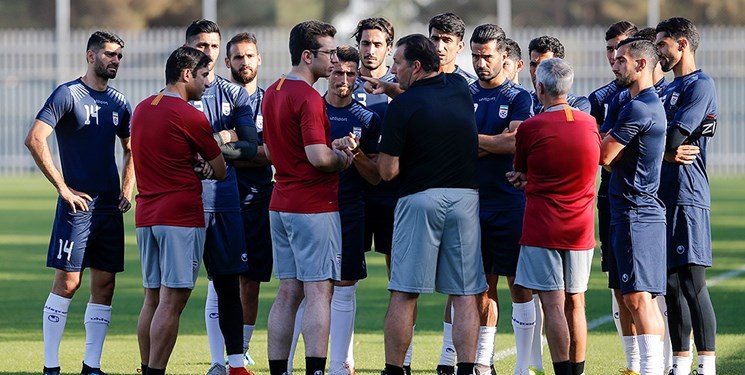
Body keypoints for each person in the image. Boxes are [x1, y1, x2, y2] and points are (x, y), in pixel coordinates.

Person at [25, 31, 134, 375]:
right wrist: (63, 187)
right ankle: (51, 366)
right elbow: (35, 138)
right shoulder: (67, 94)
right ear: (90, 56)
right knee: (68, 283)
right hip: (78, 207)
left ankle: (92, 366)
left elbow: (132, 148)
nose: (115, 60)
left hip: (109, 210)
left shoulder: (119, 103)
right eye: (109, 54)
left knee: (105, 285)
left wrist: (127, 187)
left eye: (119, 55)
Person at [377, 33, 485, 375]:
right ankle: (466, 368)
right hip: (466, 199)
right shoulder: (459, 87)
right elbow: (427, 96)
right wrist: (395, 89)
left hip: (420, 199)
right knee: (466, 293)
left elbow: (388, 171)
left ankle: (395, 370)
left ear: (417, 66)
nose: (393, 70)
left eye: (398, 63)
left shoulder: (402, 108)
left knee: (405, 291)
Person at [436, 24, 534, 375]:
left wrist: (474, 142)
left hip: (509, 201)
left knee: (519, 284)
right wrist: (494, 140)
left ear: (504, 56)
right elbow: (454, 144)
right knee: (477, 284)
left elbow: (515, 143)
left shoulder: (519, 97)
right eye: (475, 56)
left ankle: (525, 365)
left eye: (487, 56)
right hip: (469, 202)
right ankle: (481, 360)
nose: (480, 63)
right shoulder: (463, 93)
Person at [262, 20, 354, 375]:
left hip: (281, 202)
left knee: (287, 292)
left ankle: (278, 370)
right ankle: (316, 369)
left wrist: (324, 149)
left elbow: (271, 150)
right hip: (314, 207)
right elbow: (318, 158)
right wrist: (343, 157)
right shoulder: (308, 96)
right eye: (328, 52)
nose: (333, 60)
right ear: (307, 55)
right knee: (319, 292)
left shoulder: (273, 90)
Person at [132, 46, 227, 375]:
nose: (206, 83)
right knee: (173, 301)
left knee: (152, 298)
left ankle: (146, 368)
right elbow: (220, 168)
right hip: (180, 216)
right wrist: (201, 165)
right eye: (203, 75)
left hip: (146, 214)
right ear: (187, 74)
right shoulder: (190, 115)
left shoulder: (142, 108)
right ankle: (156, 371)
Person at [509, 58, 599, 375]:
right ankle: (578, 370)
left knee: (553, 303)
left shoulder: (531, 127)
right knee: (577, 302)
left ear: (540, 87)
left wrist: (527, 180)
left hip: (542, 226)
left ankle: (561, 371)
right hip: (581, 227)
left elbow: (520, 172)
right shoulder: (589, 124)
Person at [183, 19, 258, 375]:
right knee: (167, 290)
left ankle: (233, 364)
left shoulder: (234, 94)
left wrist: (212, 147)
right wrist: (221, 139)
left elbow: (250, 147)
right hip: (183, 202)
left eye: (213, 46)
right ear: (187, 48)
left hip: (225, 202)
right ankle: (150, 364)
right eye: (200, 46)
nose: (207, 52)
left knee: (228, 284)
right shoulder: (174, 93)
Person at [600, 36, 668, 374]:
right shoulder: (636, 103)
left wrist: (604, 144)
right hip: (637, 211)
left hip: (635, 211)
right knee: (641, 299)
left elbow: (604, 154)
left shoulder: (640, 107)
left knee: (637, 299)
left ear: (641, 64)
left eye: (621, 59)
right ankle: (645, 368)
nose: (614, 63)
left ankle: (651, 370)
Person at [656, 17, 718, 375]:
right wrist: (661, 152)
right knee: (668, 283)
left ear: (683, 44)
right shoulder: (664, 90)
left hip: (688, 195)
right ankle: (681, 362)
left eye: (663, 44)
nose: (659, 51)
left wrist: (660, 145)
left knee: (692, 281)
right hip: (662, 195)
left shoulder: (701, 84)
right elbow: (653, 140)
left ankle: (706, 364)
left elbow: (676, 136)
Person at [206, 31, 271, 369]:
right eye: (238, 57)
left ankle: (240, 352)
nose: (245, 62)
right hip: (218, 197)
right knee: (220, 282)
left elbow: (269, 152)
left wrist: (221, 150)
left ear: (259, 60)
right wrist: (244, 148)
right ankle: (220, 359)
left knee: (252, 280)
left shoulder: (269, 100)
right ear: (227, 62)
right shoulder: (211, 96)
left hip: (258, 198)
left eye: (250, 56)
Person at [586, 20, 641, 375]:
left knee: (658, 284)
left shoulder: (655, 92)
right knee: (619, 281)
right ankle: (633, 364)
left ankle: (671, 359)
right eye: (609, 49)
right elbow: (595, 147)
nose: (614, 56)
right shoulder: (601, 97)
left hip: (651, 198)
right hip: (610, 195)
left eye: (620, 47)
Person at [325, 45, 383, 375]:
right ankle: (298, 363)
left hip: (350, 209)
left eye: (350, 73)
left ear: (357, 76)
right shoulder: (312, 111)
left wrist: (357, 153)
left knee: (346, 285)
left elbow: (376, 176)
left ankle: (339, 364)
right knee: (311, 289)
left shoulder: (367, 120)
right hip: (314, 210)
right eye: (336, 72)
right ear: (327, 73)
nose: (343, 79)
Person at [526, 36, 590, 114]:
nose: (536, 71)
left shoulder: (577, 104)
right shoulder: (522, 101)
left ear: (558, 67)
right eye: (533, 64)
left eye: (544, 65)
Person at [429, 12, 477, 83]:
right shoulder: (414, 81)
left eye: (447, 40)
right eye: (435, 39)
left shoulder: (470, 86)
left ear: (460, 47)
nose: (439, 48)